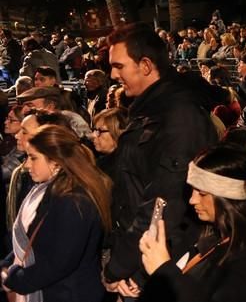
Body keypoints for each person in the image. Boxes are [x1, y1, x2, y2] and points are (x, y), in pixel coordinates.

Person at [103, 23, 219, 295]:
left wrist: (120, 267)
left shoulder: (179, 118)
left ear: (145, 65)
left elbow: (164, 204)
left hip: (156, 266)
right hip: (142, 260)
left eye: (119, 66)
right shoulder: (148, 110)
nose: (113, 74)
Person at [1, 125, 112, 302]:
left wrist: (14, 279)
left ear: (56, 161)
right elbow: (30, 241)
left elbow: (59, 263)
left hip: (67, 294)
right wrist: (7, 265)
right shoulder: (51, 191)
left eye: (33, 158)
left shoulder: (73, 201)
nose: (27, 165)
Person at [139, 144, 246, 302]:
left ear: (227, 198)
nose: (192, 200)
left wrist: (163, 269)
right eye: (192, 190)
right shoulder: (207, 233)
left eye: (202, 193)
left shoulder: (244, 259)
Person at [91, 107, 127, 180]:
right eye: (94, 130)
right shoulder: (101, 163)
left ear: (117, 132)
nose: (93, 135)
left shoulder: (123, 168)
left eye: (100, 131)